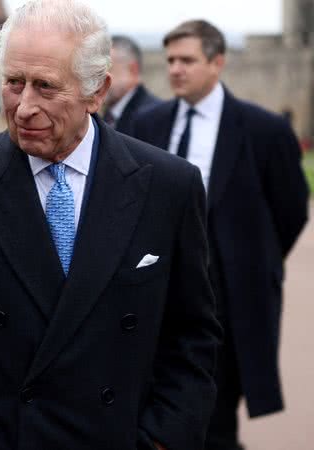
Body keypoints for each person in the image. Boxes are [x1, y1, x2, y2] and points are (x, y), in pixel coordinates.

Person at [0, 2, 221, 449]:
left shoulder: (169, 186)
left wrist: (164, 439)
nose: (24, 107)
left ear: (96, 91)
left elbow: (192, 339)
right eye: (14, 83)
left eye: (45, 87)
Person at [132, 20, 310, 450]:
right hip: (156, 294)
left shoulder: (265, 131)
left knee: (217, 416)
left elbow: (289, 211)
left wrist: (253, 259)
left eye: (187, 60)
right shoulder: (146, 124)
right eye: (171, 59)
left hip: (230, 301)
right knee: (154, 409)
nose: (175, 69)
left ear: (217, 62)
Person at [102, 35, 160, 136]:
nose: (98, 79)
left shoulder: (155, 118)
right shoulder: (107, 116)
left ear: (133, 70)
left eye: (106, 70)